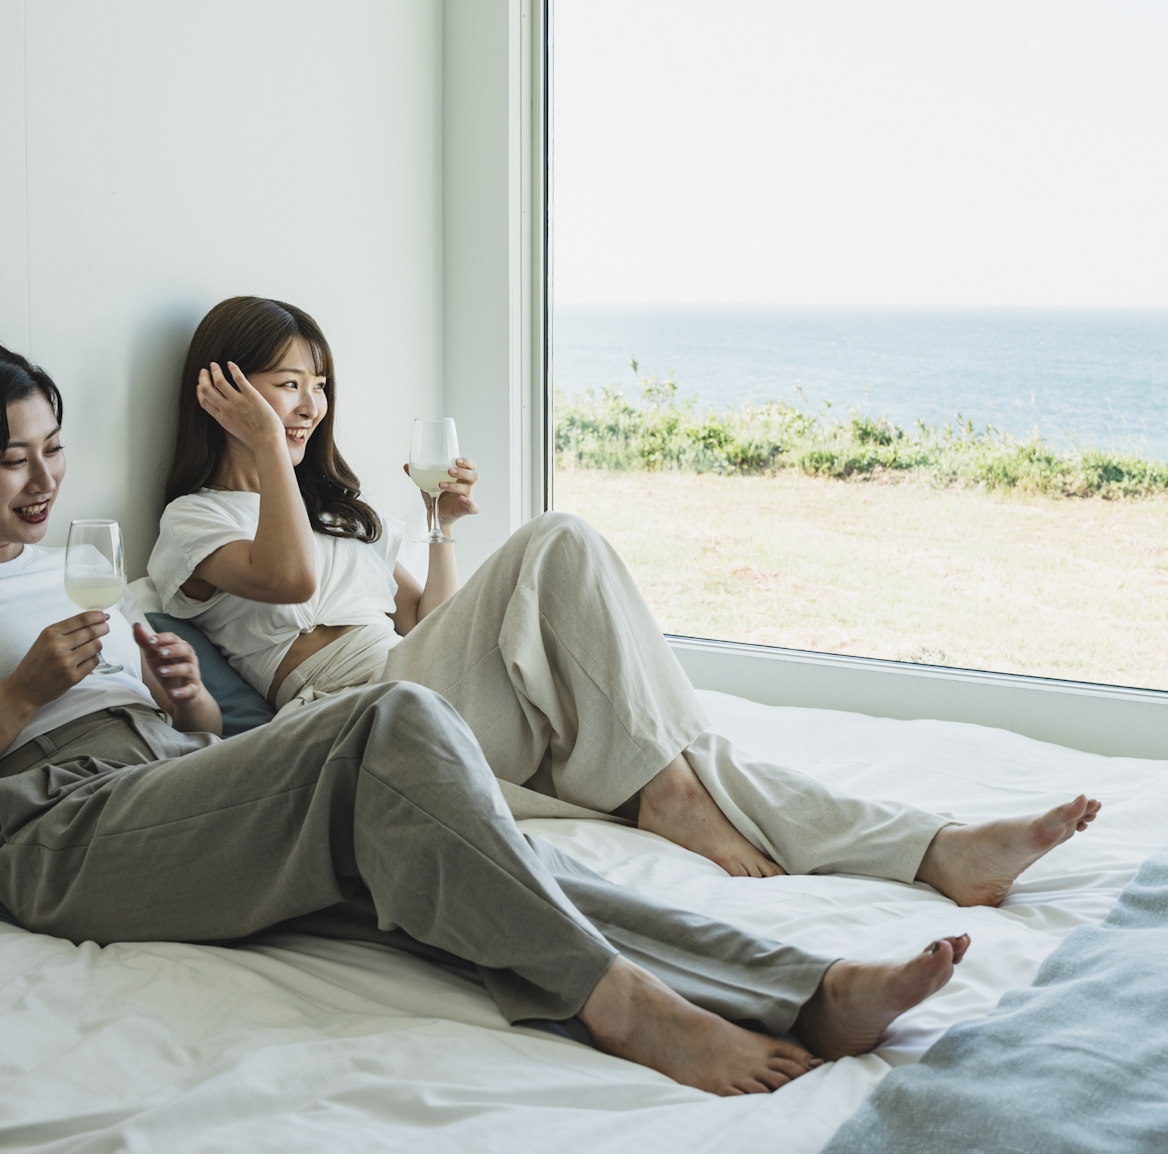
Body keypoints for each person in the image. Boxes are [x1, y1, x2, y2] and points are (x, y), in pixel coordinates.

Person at [0, 315, 993, 1097]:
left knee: (491, 859)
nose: (43, 483)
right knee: (396, 724)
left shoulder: (82, 559)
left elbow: (213, 743)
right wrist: (21, 694)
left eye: (54, 450)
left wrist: (186, 705)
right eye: (10, 461)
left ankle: (807, 990)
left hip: (159, 784)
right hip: (60, 832)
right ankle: (623, 1006)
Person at [147, 296, 1100, 905]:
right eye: (286, 385)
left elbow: (432, 629)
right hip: (359, 721)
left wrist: (436, 523)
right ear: (226, 391)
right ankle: (686, 795)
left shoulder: (336, 515)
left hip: (426, 683)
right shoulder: (193, 523)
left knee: (684, 751)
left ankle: (937, 853)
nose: (309, 405)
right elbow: (288, 583)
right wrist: (270, 450)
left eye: (318, 386)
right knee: (562, 544)